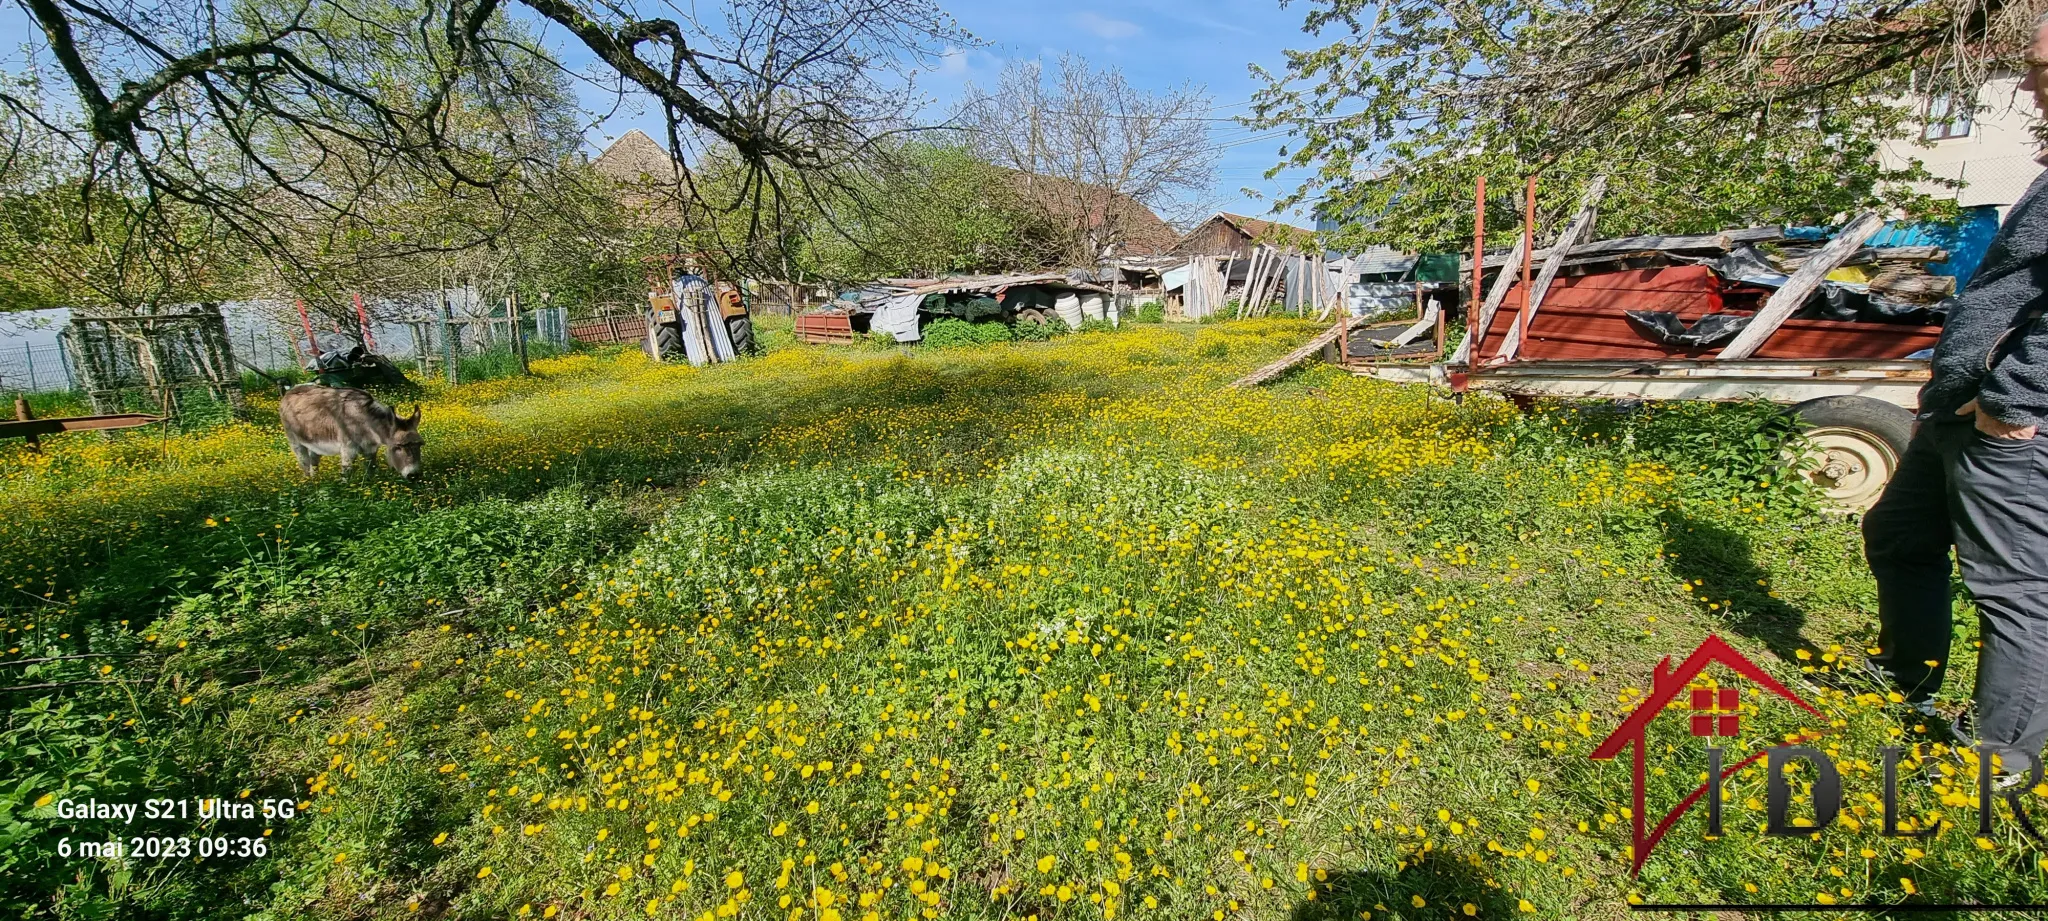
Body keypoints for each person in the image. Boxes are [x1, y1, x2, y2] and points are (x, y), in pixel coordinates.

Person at [1862, 12, 2048, 762]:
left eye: (2042, 68)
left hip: (2007, 419)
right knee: (1900, 535)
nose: (2031, 87)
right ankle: (1907, 676)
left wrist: (2012, 400)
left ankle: (2004, 755)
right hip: (1957, 408)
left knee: (2012, 587)